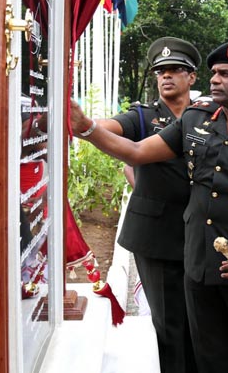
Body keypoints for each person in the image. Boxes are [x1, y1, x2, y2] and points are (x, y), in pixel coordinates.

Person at [70, 37, 228, 373]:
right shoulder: (195, 120)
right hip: (198, 269)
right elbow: (137, 153)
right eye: (214, 73)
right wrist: (87, 128)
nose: (215, 79)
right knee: (209, 361)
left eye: (226, 73)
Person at [86, 36, 200, 372]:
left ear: (191, 77)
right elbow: (112, 129)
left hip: (202, 232)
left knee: (202, 319)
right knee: (168, 322)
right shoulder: (143, 116)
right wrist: (88, 126)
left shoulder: (207, 116)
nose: (167, 76)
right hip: (157, 235)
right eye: (161, 71)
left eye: (176, 70)